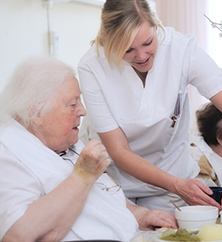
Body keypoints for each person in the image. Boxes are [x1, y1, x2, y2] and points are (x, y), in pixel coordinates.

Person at [77, 0, 222, 214]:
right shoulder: (92, 67)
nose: (142, 56)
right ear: (108, 40)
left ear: (155, 25)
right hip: (116, 184)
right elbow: (119, 151)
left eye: (148, 43)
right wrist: (176, 185)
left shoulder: (182, 50)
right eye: (128, 50)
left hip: (172, 176)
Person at [0, 57, 177, 242]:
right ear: (36, 113)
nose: (83, 111)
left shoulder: (68, 141)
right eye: (72, 104)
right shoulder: (8, 152)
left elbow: (104, 195)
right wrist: (82, 176)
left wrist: (139, 215)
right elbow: (17, 235)